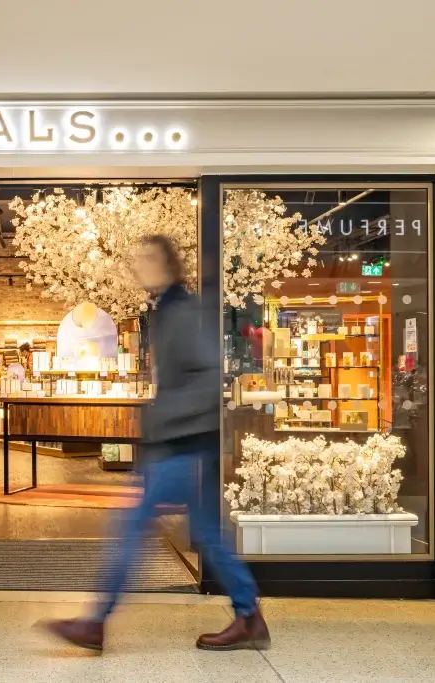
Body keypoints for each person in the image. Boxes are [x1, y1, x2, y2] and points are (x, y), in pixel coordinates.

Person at [42, 234, 268, 652]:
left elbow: (205, 377)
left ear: (168, 263)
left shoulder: (184, 311)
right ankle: (249, 615)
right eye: (138, 259)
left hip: (183, 444)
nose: (141, 266)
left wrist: (164, 417)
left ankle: (95, 621)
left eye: (149, 258)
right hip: (183, 442)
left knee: (131, 525)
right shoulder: (166, 311)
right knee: (207, 533)